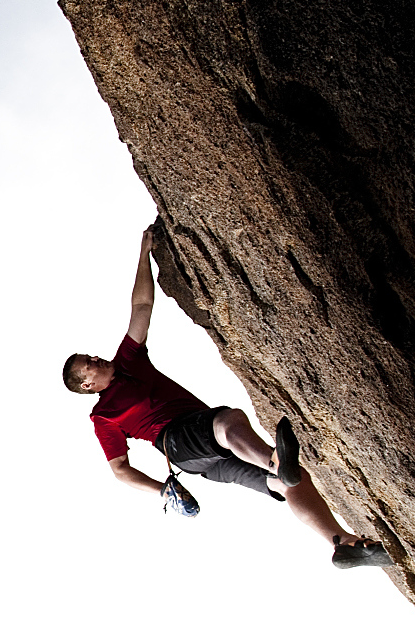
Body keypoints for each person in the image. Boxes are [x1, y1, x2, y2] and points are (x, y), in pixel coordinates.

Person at [64, 228, 392, 568]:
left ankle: (342, 543)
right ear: (86, 385)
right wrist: (164, 490)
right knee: (229, 421)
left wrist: (143, 254)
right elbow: (120, 469)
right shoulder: (103, 416)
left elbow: (142, 305)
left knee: (288, 482)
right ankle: (274, 461)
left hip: (212, 458)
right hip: (178, 444)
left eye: (91, 356)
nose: (96, 359)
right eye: (88, 364)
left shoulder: (128, 361)